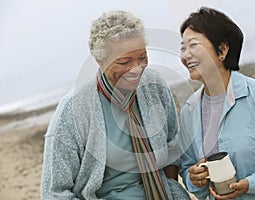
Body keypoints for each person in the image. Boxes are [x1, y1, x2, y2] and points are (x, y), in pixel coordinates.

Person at [41, 10, 190, 199]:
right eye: (124, 61)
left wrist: (169, 187)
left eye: (142, 57)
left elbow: (172, 144)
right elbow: (53, 193)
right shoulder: (72, 110)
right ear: (100, 60)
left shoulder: (154, 85)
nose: (137, 68)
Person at [178, 6, 255, 200]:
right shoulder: (189, 112)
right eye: (183, 48)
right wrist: (195, 178)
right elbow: (187, 170)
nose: (185, 55)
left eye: (193, 45)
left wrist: (252, 184)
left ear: (222, 50)